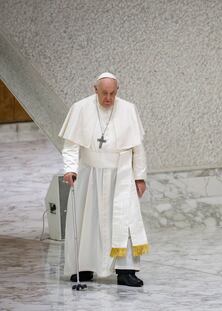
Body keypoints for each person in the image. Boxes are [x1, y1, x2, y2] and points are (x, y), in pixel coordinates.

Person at [59, 72, 149, 287]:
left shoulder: (128, 109)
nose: (108, 98)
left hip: (122, 174)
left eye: (112, 93)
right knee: (87, 222)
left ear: (117, 91)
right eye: (103, 93)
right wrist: (70, 169)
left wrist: (140, 177)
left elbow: (138, 148)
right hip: (90, 174)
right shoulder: (80, 108)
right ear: (95, 89)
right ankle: (83, 267)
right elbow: (71, 146)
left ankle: (125, 271)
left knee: (125, 222)